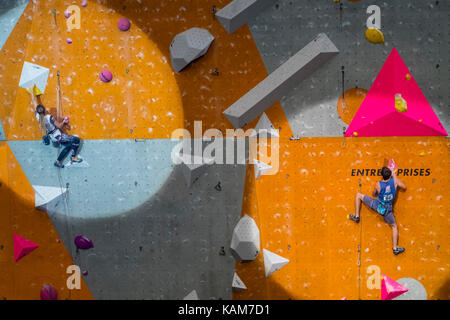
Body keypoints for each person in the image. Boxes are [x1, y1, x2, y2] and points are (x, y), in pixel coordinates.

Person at [349, 166, 407, 255]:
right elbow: (404, 187)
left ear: (382, 176)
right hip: (387, 210)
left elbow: (374, 194)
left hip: (377, 205)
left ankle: (356, 216)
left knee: (358, 195)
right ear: (390, 174)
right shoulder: (394, 181)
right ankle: (395, 248)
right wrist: (394, 175)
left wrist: (377, 196)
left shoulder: (378, 184)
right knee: (394, 226)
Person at [30, 86, 83, 168]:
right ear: (44, 110)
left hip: (53, 137)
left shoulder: (38, 117)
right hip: (58, 136)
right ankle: (73, 157)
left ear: (37, 111)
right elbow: (59, 126)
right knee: (76, 140)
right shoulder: (49, 117)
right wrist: (64, 122)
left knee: (69, 145)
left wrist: (33, 94)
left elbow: (35, 105)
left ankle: (58, 162)